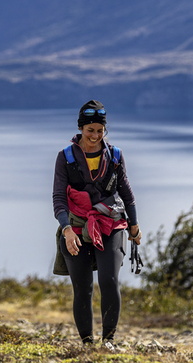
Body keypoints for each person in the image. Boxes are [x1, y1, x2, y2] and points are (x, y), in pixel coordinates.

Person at [52, 100, 142, 346]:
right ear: (81, 128)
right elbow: (59, 198)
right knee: (83, 288)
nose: (95, 135)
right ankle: (87, 343)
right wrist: (67, 230)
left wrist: (134, 225)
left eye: (100, 130)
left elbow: (126, 193)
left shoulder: (115, 156)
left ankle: (108, 341)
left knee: (109, 280)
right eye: (90, 130)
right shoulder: (65, 157)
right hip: (76, 227)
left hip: (111, 224)